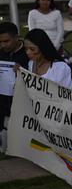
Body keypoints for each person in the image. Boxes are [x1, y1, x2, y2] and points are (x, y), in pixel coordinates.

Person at [0, 22, 29, 153]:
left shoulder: (28, 53)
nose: (3, 45)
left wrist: (24, 71)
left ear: (17, 37)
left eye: (6, 41)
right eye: (0, 42)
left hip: (23, 101)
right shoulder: (1, 53)